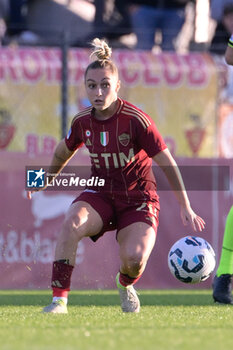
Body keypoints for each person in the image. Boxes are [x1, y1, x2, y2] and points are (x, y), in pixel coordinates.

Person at [27, 38, 205, 314]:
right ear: (85, 87)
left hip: (138, 199)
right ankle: (59, 300)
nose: (98, 92)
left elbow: (167, 163)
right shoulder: (82, 121)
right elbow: (63, 152)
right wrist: (42, 180)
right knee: (72, 221)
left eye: (105, 85)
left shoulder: (136, 120)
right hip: (101, 193)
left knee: (133, 258)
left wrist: (185, 205)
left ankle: (124, 283)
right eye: (92, 85)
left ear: (117, 86)